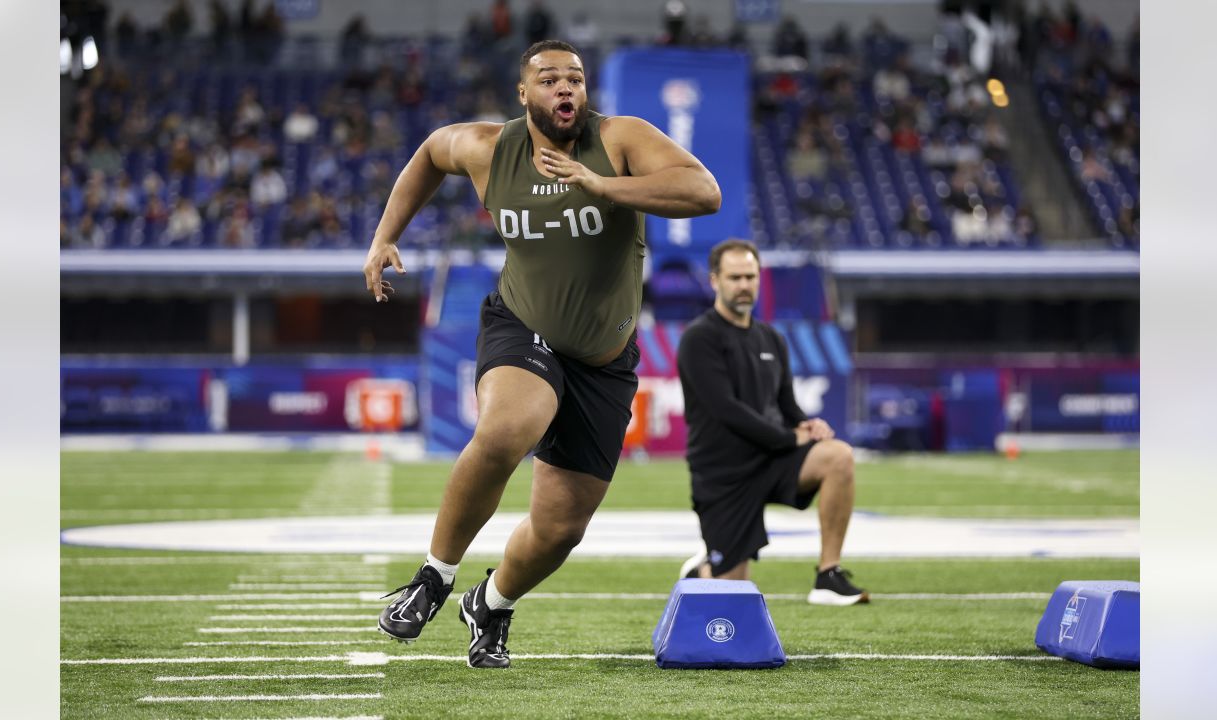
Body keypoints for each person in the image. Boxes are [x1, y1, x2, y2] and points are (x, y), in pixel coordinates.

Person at [361, 40, 721, 668]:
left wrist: (601, 184)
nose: (565, 89)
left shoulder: (621, 139)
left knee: (560, 529)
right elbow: (427, 155)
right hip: (522, 324)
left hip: (604, 360)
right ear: (523, 95)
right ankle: (434, 577)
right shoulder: (487, 149)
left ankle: (492, 604)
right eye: (549, 79)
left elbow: (703, 192)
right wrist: (385, 236)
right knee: (507, 429)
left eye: (575, 79)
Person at [676, 239, 867, 606]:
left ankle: (828, 575)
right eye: (735, 277)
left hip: (770, 459)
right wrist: (788, 437)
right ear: (715, 281)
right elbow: (726, 410)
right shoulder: (699, 338)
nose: (744, 285)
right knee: (732, 591)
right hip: (723, 473)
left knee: (838, 456)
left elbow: (785, 404)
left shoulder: (772, 338)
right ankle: (703, 571)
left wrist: (807, 427)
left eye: (751, 276)